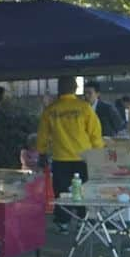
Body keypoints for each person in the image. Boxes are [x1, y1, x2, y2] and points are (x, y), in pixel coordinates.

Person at [37, 76, 104, 234]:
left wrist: (42, 153)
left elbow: (42, 135)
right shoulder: (84, 107)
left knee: (61, 192)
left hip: (61, 158)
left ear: (59, 89)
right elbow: (95, 133)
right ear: (75, 89)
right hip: (83, 157)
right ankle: (84, 220)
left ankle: (63, 223)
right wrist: (99, 152)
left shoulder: (50, 110)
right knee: (83, 190)